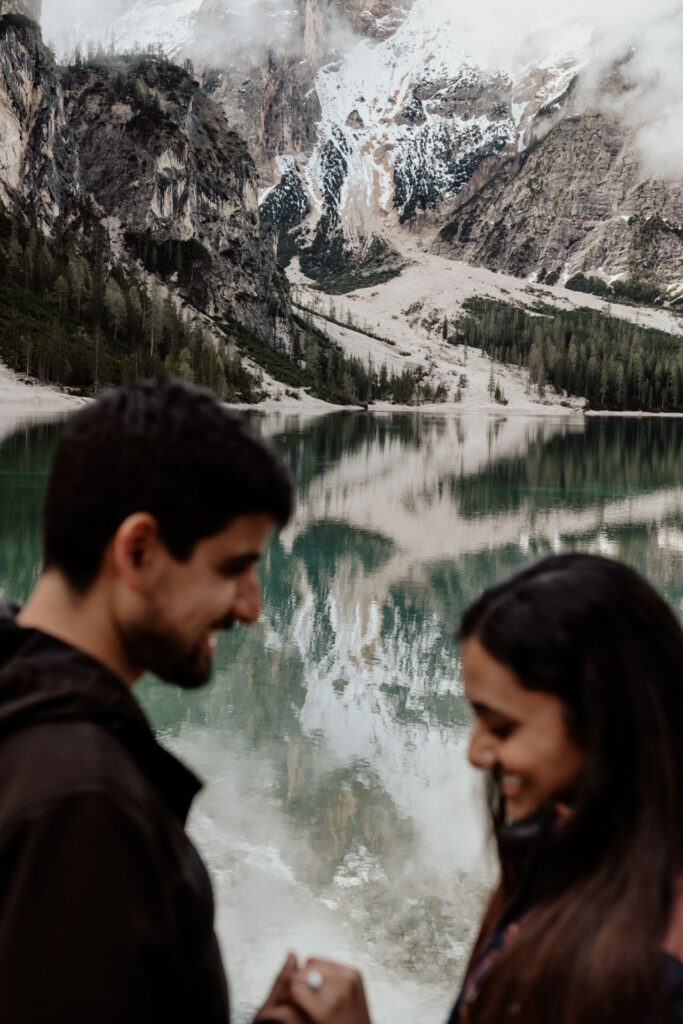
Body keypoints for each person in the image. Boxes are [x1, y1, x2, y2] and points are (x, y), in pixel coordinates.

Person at [0, 378, 309, 1023]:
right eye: (232, 569)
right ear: (137, 552)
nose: (253, 609)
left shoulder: (21, 703)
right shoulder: (83, 804)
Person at [271, 554, 683, 1024]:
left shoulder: (660, 974)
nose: (476, 754)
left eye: (503, 727)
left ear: (603, 725)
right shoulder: (555, 860)